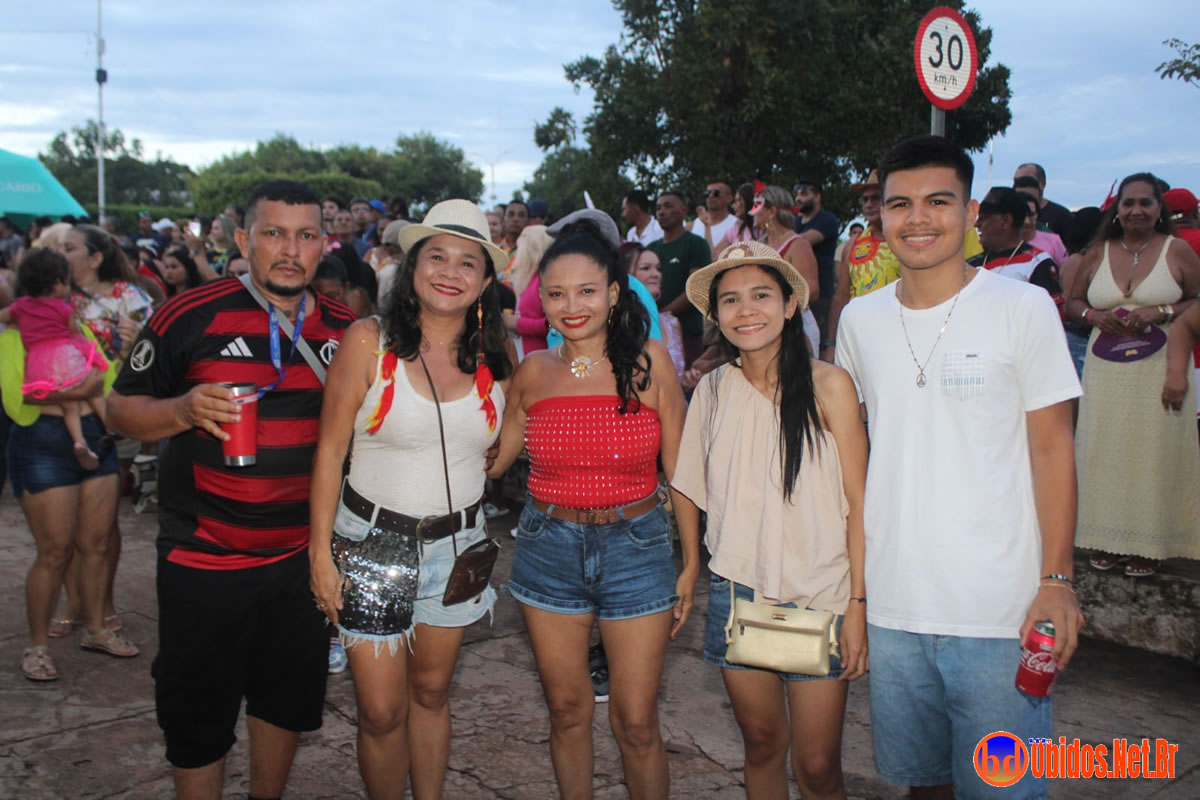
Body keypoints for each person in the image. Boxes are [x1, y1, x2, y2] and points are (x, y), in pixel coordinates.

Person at [837, 135, 1083, 799]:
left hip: (1000, 614)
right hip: (893, 608)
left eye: (938, 201)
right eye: (900, 204)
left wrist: (1057, 580)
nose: (918, 218)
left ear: (971, 212)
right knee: (922, 786)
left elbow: (1053, 450)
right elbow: (852, 455)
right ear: (880, 215)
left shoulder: (1022, 308)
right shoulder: (858, 321)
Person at [105, 180, 355, 799]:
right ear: (244, 240)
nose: (290, 250)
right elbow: (119, 411)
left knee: (285, 700)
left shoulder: (348, 331)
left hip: (302, 561)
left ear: (323, 244)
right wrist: (183, 409)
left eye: (305, 235)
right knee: (196, 712)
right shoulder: (190, 313)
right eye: (274, 234)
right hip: (204, 558)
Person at [309, 199, 511, 799]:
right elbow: (329, 453)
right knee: (378, 712)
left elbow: (503, 446)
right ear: (413, 266)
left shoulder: (498, 361)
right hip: (371, 547)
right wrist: (319, 556)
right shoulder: (366, 342)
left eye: (468, 262)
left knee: (431, 693)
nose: (450, 271)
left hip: (460, 547)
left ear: (484, 280)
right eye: (437, 256)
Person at [489, 218, 693, 799]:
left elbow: (681, 471)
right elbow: (494, 463)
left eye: (586, 291)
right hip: (547, 550)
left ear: (614, 293)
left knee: (636, 722)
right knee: (566, 710)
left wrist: (690, 562)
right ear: (541, 300)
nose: (571, 306)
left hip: (638, 548)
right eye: (556, 293)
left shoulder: (649, 362)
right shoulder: (532, 372)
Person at [671, 240, 868, 798]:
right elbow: (686, 482)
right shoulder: (712, 390)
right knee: (759, 742)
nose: (746, 311)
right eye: (730, 300)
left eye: (761, 295)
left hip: (821, 591)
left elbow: (860, 503)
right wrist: (691, 566)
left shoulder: (831, 385)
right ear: (717, 315)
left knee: (818, 765)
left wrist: (858, 604)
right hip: (738, 590)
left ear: (789, 305)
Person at [1064, 172, 1200, 578]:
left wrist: (1161, 311)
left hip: (1162, 367)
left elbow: (1196, 299)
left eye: (1145, 202)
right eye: (1129, 203)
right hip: (1105, 368)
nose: (1136, 210)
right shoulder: (1097, 253)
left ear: (1159, 209)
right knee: (1103, 447)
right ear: (1117, 210)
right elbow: (1073, 303)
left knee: (1156, 449)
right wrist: (1094, 316)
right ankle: (1103, 537)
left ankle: (1150, 544)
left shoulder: (1177, 250)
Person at [0, 249, 109, 468]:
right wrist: (91, 354)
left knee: (68, 405)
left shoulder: (20, 307)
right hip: (65, 356)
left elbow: (3, 316)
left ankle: (79, 442)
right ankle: (110, 426)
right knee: (94, 393)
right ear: (57, 283)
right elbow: (75, 334)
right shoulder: (63, 308)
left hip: (38, 363)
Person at [822, 171, 897, 362]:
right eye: (865, 200)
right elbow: (841, 296)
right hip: (859, 339)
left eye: (875, 198)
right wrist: (831, 343)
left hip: (896, 336)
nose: (869, 204)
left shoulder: (903, 240)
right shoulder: (853, 244)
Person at [969, 187, 1063, 308]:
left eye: (983, 218)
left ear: (1006, 220)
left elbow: (1052, 313)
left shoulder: (1038, 263)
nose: (976, 224)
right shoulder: (972, 265)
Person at [755, 186, 821, 355]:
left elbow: (812, 291)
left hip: (796, 328)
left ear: (772, 211)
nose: (752, 211)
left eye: (757, 205)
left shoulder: (798, 244)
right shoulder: (758, 246)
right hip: (762, 326)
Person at [651, 191, 712, 365]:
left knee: (689, 380)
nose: (661, 212)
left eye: (668, 206)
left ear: (684, 211)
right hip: (655, 336)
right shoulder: (650, 248)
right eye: (658, 208)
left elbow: (695, 289)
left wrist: (662, 315)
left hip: (688, 334)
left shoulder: (696, 244)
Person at [623, 243, 685, 380]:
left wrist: (689, 380)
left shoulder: (672, 323)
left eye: (658, 268)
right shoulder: (618, 324)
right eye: (645, 268)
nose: (656, 274)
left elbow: (679, 382)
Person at [792, 179, 839, 342]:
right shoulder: (795, 221)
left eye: (804, 194)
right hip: (796, 295)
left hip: (820, 295)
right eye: (797, 194)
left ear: (817, 196)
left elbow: (800, 242)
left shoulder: (827, 220)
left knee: (817, 343)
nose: (799, 198)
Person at [506, 224, 554, 356]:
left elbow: (554, 324)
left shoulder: (546, 278)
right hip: (523, 350)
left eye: (520, 247)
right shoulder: (530, 277)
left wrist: (516, 323)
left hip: (541, 354)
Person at [1013, 176, 1069, 264]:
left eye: (1031, 215)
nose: (1027, 221)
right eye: (1022, 215)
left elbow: (1066, 268)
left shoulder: (1053, 241)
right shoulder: (999, 242)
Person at [1014, 162, 1073, 238]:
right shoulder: (1010, 215)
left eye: (1027, 180)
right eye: (1016, 181)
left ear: (1042, 183)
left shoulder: (1062, 215)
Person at [690, 180, 738, 251]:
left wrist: (707, 226)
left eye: (716, 193)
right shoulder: (691, 226)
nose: (711, 196)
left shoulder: (738, 225)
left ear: (729, 198)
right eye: (707, 193)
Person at [721, 183, 757, 247]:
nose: (733, 206)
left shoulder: (762, 229)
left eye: (737, 200)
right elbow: (715, 252)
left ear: (748, 201)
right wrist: (707, 226)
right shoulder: (735, 230)